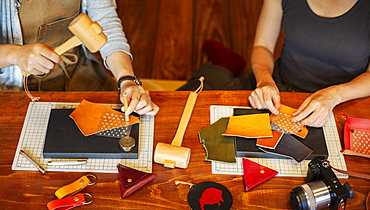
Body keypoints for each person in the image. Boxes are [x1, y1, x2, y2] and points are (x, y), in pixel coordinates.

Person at [180, 0, 370, 127]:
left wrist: (334, 96)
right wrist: (264, 81)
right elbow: (263, 46)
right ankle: (225, 65)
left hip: (344, 102)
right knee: (186, 103)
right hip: (278, 88)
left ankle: (227, 64)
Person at [0, 0, 159, 116]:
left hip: (79, 77)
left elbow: (105, 25)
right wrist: (13, 54)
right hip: (11, 96)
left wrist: (127, 80)